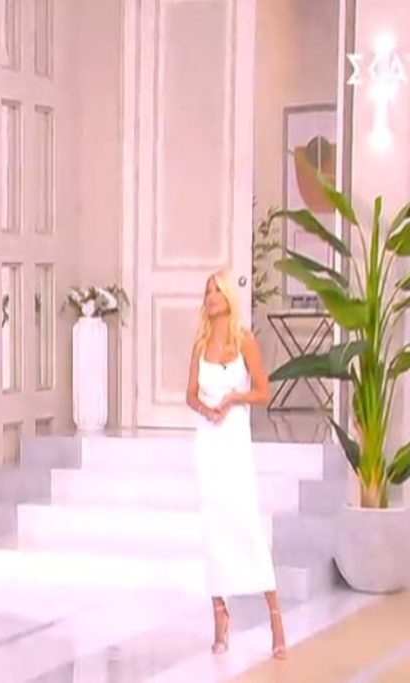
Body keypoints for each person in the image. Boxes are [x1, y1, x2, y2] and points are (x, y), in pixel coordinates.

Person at [185, 268, 287, 660]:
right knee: (213, 527)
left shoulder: (245, 340)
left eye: (217, 290)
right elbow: (189, 395)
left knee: (246, 523)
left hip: (234, 443)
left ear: (228, 297)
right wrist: (206, 409)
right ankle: (219, 615)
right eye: (207, 291)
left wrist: (232, 400)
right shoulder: (200, 344)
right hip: (208, 442)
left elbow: (262, 392)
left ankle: (275, 619)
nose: (211, 297)